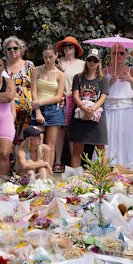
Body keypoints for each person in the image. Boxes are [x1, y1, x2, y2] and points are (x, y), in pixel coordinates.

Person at [69, 49, 109, 167]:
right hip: (79, 116)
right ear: (86, 61)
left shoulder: (103, 79)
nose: (92, 63)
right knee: (77, 150)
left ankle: (101, 178)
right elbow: (75, 95)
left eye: (95, 60)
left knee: (101, 149)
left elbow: (103, 97)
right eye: (89, 60)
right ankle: (76, 179)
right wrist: (83, 108)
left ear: (99, 62)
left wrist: (92, 109)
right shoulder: (78, 77)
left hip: (97, 116)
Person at [104, 44, 133, 166]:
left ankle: (127, 165)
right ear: (111, 55)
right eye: (115, 53)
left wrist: (130, 80)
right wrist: (109, 82)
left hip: (126, 110)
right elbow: (99, 92)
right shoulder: (105, 71)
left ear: (126, 55)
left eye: (121, 53)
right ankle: (108, 165)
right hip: (110, 109)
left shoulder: (131, 70)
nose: (118, 55)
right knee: (109, 137)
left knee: (126, 137)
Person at [30, 44, 65, 167]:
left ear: (56, 56)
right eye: (45, 57)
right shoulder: (36, 70)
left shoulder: (60, 74)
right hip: (37, 109)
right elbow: (33, 92)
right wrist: (38, 110)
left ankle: (47, 175)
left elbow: (58, 96)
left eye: (51, 57)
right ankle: (35, 172)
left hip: (54, 109)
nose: (48, 60)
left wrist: (40, 102)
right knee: (36, 143)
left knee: (50, 145)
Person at [53, 36, 85, 173]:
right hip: (61, 98)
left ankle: (74, 164)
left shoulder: (82, 64)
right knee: (60, 132)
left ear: (75, 49)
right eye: (65, 46)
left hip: (76, 98)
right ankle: (57, 162)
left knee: (74, 133)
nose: (67, 49)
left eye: (70, 46)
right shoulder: (57, 62)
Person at [4, 36, 34, 142]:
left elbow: (34, 87)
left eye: (15, 48)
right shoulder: (2, 66)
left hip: (26, 112)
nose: (12, 51)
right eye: (9, 49)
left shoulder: (28, 65)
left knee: (25, 143)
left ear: (20, 49)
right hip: (7, 110)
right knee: (8, 142)